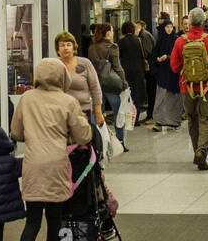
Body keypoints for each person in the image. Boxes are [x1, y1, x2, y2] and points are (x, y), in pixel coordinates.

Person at [9, 59, 91, 241]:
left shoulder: (27, 99)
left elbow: (16, 133)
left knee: (32, 221)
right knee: (54, 219)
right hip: (56, 164)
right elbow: (84, 136)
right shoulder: (68, 101)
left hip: (33, 164)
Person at [170, 8, 208, 170]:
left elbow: (174, 66)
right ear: (204, 22)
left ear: (190, 22)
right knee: (206, 119)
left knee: (192, 119)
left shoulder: (180, 41)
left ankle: (196, 152)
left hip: (187, 87)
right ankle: (202, 151)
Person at [88, 23, 129, 152]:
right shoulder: (112, 47)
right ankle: (120, 140)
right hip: (111, 85)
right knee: (118, 113)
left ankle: (97, 142)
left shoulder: (92, 47)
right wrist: (124, 81)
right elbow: (117, 67)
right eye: (111, 30)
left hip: (96, 84)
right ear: (108, 33)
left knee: (96, 113)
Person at [55, 32, 105, 130]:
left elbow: (95, 88)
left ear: (74, 48)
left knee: (83, 143)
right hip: (61, 114)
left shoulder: (85, 63)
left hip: (83, 112)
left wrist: (98, 113)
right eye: (62, 45)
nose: (65, 48)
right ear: (58, 50)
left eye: (69, 45)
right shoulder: (55, 66)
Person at [151, 20, 183, 129]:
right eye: (167, 27)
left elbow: (179, 55)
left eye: (171, 27)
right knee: (161, 96)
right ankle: (160, 120)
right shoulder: (160, 40)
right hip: (163, 72)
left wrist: (168, 57)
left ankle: (173, 120)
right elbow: (154, 54)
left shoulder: (177, 40)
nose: (169, 29)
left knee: (173, 98)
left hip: (173, 72)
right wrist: (158, 59)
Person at [117, 21, 147, 131]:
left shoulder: (121, 42)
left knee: (127, 96)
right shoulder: (138, 40)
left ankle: (127, 118)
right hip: (138, 71)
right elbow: (142, 55)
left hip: (126, 71)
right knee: (137, 96)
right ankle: (136, 119)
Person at [137, 20, 157, 123]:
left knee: (151, 92)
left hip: (151, 69)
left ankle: (151, 116)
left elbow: (147, 52)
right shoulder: (145, 35)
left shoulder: (144, 36)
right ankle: (150, 115)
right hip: (150, 69)